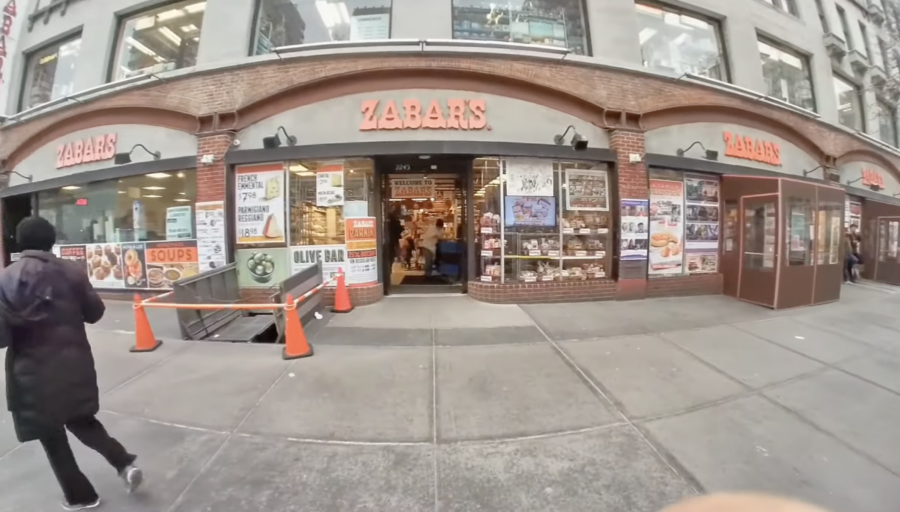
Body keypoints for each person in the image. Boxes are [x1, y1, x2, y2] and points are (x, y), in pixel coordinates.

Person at [0, 217, 143, 510]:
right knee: (83, 421)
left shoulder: (7, 278)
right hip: (75, 363)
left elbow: (1, 338)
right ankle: (124, 464)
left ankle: (82, 496)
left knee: (52, 436)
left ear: (20, 242)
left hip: (32, 374)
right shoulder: (72, 271)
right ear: (51, 241)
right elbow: (95, 313)